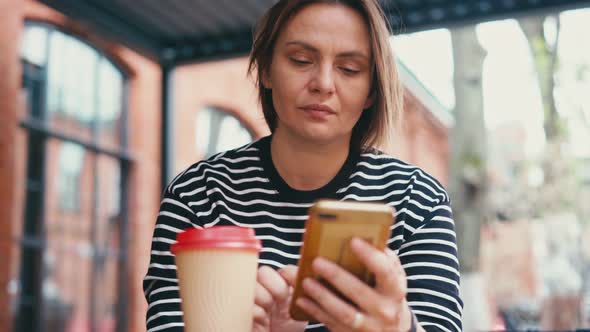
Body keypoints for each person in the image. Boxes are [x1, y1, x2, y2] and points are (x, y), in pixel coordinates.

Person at [143, 0, 463, 331]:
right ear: (265, 69)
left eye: (350, 69)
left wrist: (398, 327)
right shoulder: (197, 195)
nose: (324, 83)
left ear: (371, 90)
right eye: (301, 60)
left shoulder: (417, 200)